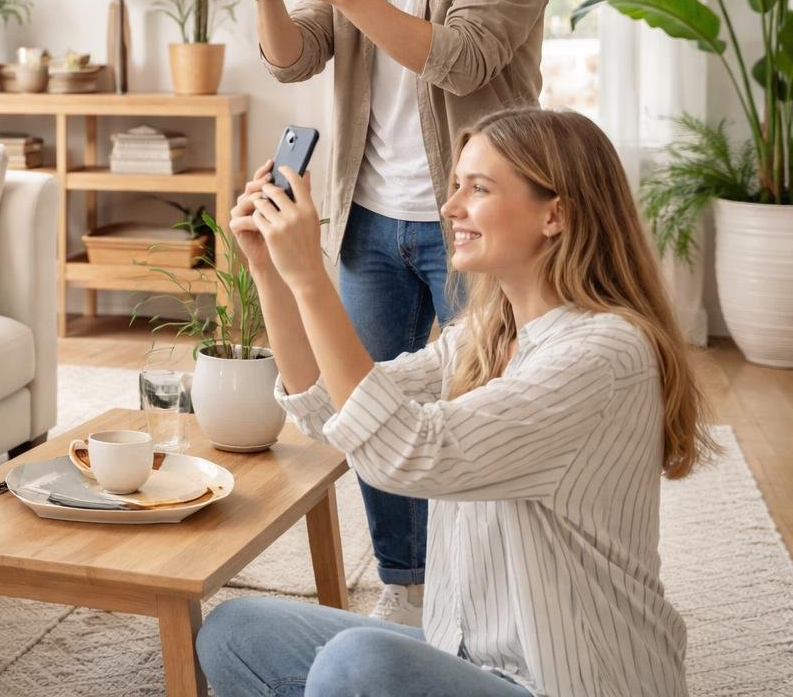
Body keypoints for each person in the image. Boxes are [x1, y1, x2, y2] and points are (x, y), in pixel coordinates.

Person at [197, 107, 715, 697]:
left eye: (479, 188)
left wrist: (312, 280)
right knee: (234, 631)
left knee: (356, 663)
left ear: (556, 215)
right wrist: (271, 270)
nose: (450, 208)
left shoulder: (604, 354)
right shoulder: (488, 332)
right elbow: (330, 407)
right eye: (455, 185)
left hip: (564, 682)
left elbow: (407, 453)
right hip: (463, 656)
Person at [239, 0, 553, 623]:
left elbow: (458, 58)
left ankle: (485, 590)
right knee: (365, 405)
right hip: (369, 218)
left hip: (477, 224)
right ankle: (407, 585)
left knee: (479, 412)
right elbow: (295, 58)